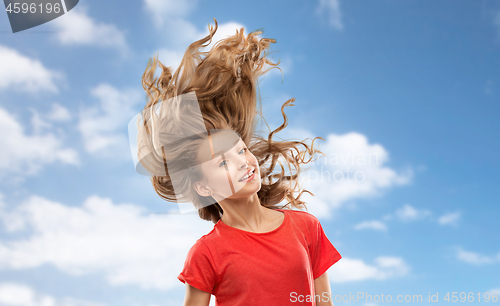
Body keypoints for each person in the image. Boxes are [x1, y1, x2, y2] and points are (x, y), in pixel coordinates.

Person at [136, 18, 342, 306]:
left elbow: (325, 304)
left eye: (242, 150)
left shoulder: (307, 227)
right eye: (222, 163)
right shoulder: (206, 253)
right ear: (204, 188)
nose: (244, 162)